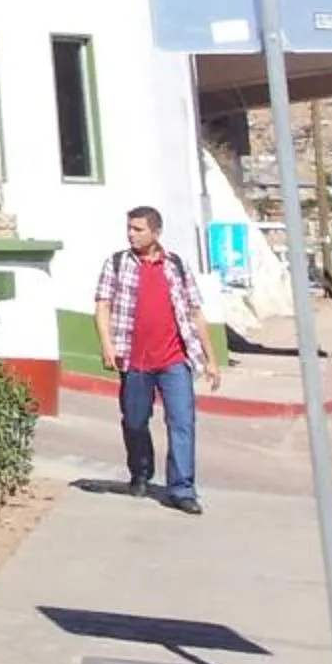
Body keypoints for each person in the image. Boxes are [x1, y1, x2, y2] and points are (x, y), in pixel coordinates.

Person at [93, 206, 224, 512]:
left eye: (138, 229)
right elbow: (102, 306)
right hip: (135, 360)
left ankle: (182, 489)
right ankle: (140, 471)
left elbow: (195, 312)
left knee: (182, 422)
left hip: (174, 359)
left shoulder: (175, 265)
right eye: (129, 228)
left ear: (156, 232)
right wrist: (107, 344)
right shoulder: (116, 264)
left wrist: (211, 359)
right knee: (136, 421)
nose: (131, 234)